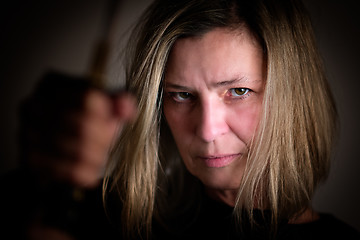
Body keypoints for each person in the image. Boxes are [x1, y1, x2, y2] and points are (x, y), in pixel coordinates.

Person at [1, 0, 359, 239]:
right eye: (181, 95)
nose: (206, 131)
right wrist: (41, 184)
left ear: (292, 97)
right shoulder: (109, 220)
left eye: (238, 91)